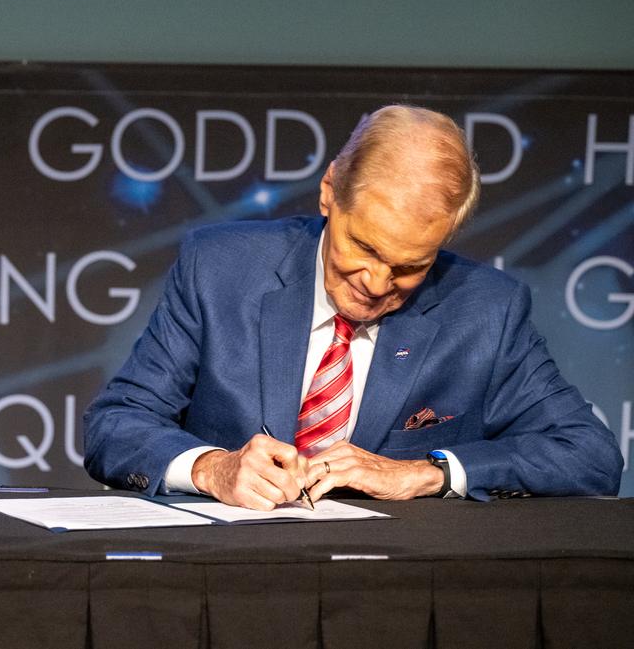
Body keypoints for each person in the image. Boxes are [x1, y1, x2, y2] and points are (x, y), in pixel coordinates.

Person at [83, 105, 622, 508]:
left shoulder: (485, 311)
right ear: (328, 193)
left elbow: (590, 456)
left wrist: (428, 473)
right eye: (363, 247)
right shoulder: (220, 270)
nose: (376, 281)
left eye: (411, 265)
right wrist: (212, 467)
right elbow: (117, 424)